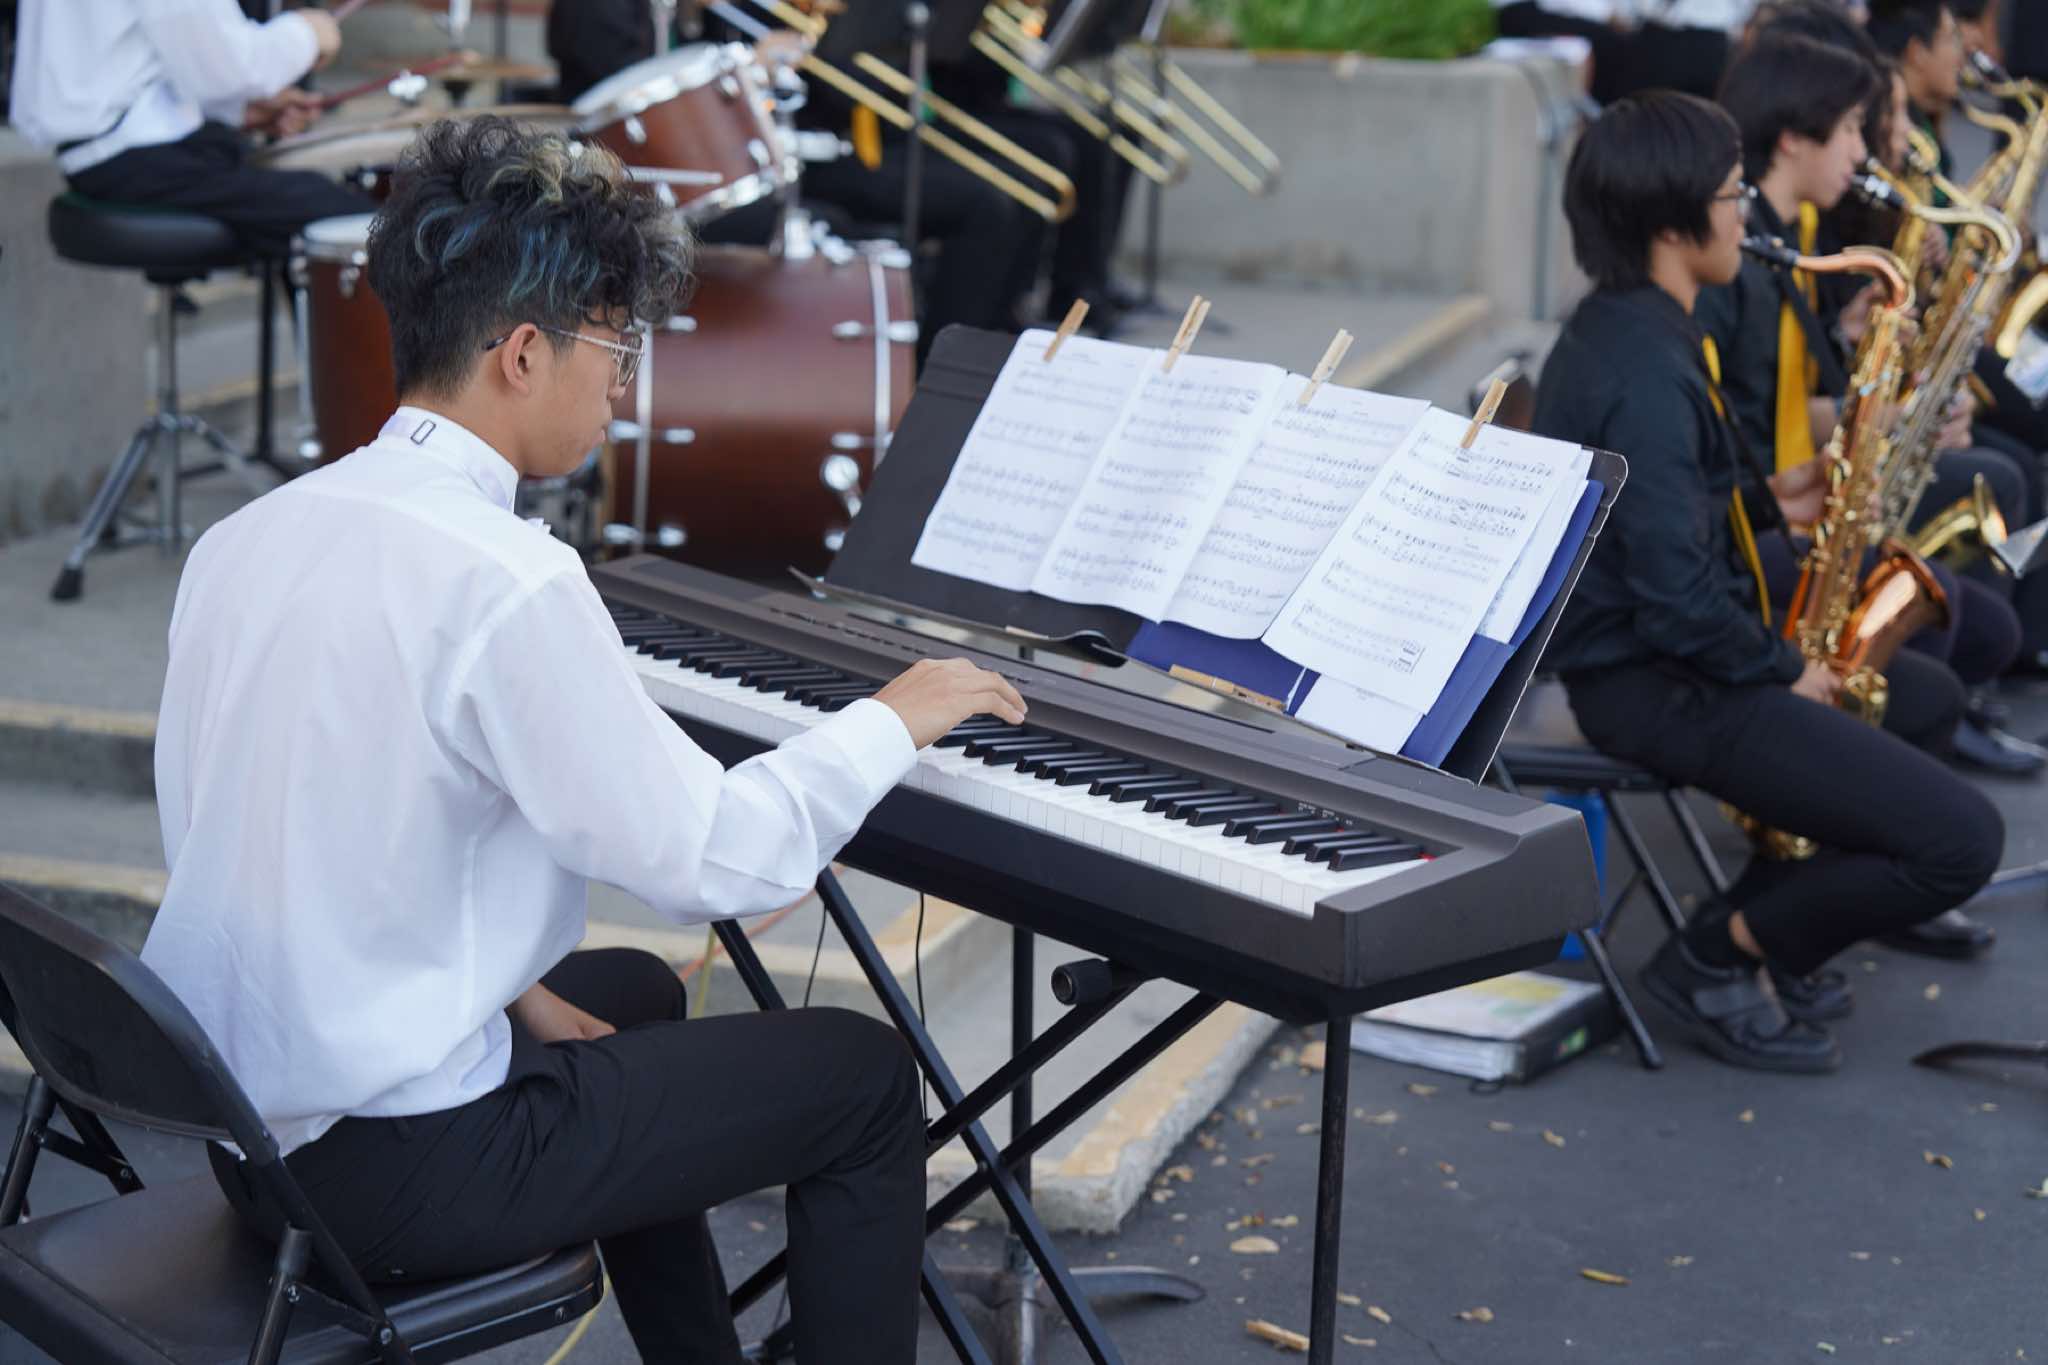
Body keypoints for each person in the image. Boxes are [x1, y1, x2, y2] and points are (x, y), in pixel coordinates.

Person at [145, 116, 1031, 1362]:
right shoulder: (506, 575)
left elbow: (286, 826)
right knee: (865, 1079)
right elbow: (712, 858)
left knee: (633, 996)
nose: (623, 389)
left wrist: (514, 990)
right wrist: (894, 717)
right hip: (399, 1174)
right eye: (616, 350)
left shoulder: (253, 533)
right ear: (522, 353)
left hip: (255, 1133)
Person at [1531, 91, 2004, 1071]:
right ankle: (1715, 954)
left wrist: (1773, 498)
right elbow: (1675, 605)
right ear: (1672, 224)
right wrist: (1787, 668)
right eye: (1729, 193)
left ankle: (1773, 921)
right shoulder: (1645, 372)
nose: (1743, 211)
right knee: (1962, 841)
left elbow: (1667, 518)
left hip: (1672, 657)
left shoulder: (1630, 329)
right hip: (1656, 683)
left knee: (1922, 696)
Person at [1695, 33, 2039, 795]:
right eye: (1854, 127)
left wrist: (1853, 342)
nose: (1866, 147)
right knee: (1969, 622)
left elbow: (1779, 390)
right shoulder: (1747, 259)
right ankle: (1879, 772)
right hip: (1762, 521)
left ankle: (1903, 751)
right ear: (1794, 135)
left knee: (1977, 616)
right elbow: (1746, 426)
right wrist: (1880, 424)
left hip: (1792, 495)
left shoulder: (1786, 238)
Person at [8, 0, 371, 258]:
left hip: (108, 152)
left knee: (295, 197)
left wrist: (240, 110)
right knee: (353, 223)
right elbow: (229, 67)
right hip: (133, 156)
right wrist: (309, 33)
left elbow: (142, 55)